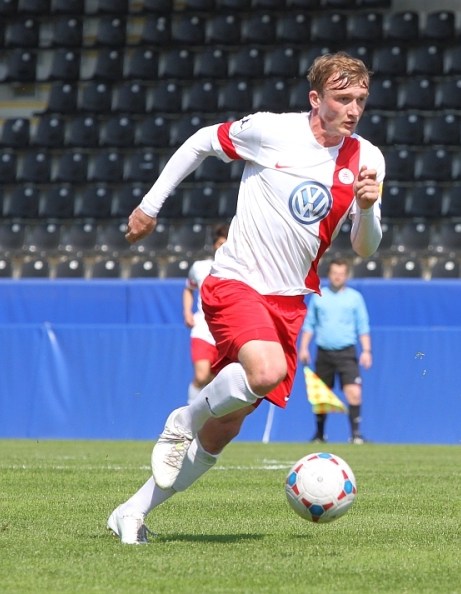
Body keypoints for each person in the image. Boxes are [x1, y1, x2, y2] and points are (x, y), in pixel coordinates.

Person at [107, 52, 385, 544]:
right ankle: (182, 419)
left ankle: (132, 511)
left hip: (288, 303)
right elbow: (201, 141)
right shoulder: (271, 130)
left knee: (224, 429)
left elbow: (365, 247)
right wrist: (150, 206)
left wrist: (366, 210)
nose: (353, 109)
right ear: (315, 98)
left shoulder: (367, 158)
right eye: (342, 98)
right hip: (236, 282)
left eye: (361, 99)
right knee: (265, 372)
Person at [298, 257, 372, 444]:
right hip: (324, 353)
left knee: (354, 392)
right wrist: (304, 347)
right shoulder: (319, 296)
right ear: (329, 275)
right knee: (321, 395)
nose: (338, 277)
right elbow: (310, 324)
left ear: (346, 275)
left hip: (346, 353)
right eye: (334, 273)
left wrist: (366, 350)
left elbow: (362, 325)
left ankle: (355, 435)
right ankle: (319, 434)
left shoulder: (355, 298)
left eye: (341, 273)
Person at [183, 223, 230, 404]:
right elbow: (189, 289)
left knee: (217, 381)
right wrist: (187, 312)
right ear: (213, 246)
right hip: (203, 330)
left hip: (226, 333)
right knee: (201, 376)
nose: (223, 249)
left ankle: (205, 413)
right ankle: (188, 412)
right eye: (220, 244)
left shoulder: (239, 271)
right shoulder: (200, 267)